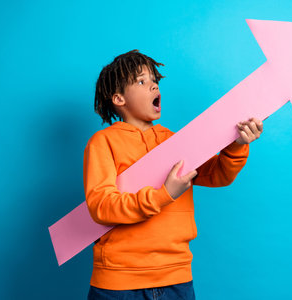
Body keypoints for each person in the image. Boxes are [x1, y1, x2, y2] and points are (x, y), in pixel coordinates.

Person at [84, 49, 263, 299]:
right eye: (141, 81)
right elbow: (101, 207)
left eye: (154, 81)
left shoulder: (173, 141)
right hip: (118, 281)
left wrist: (237, 144)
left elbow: (218, 175)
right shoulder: (102, 142)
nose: (153, 86)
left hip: (176, 278)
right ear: (119, 99)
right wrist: (164, 195)